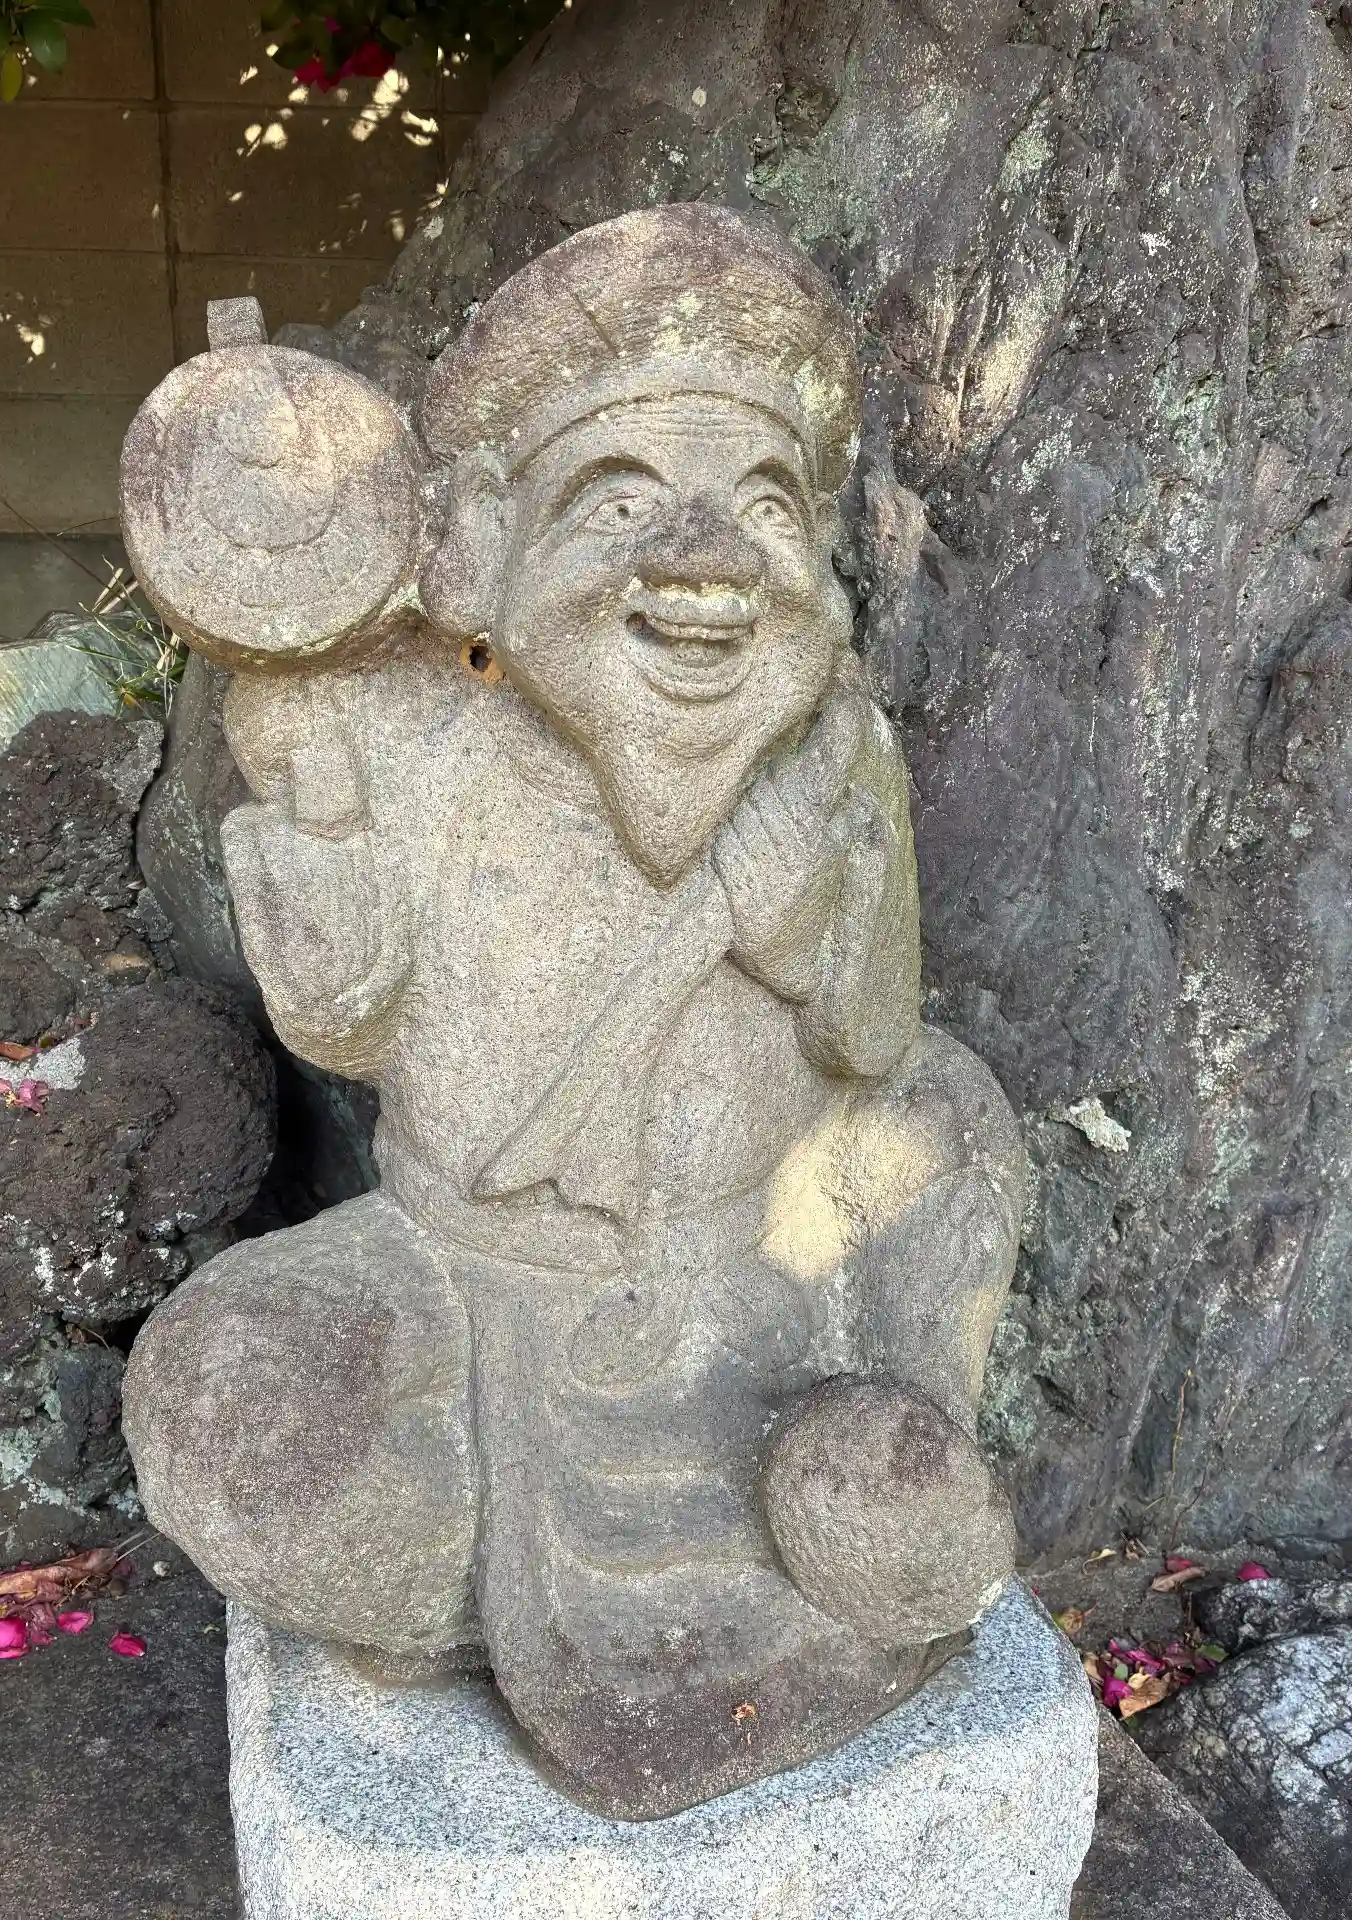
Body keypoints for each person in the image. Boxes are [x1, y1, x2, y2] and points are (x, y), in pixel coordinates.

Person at [126, 205, 1025, 1819]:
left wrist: (796, 921)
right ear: (484, 547)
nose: (704, 564)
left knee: (948, 1122)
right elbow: (342, 1022)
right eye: (621, 500)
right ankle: (510, 1595)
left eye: (763, 505)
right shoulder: (418, 736)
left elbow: (876, 1035)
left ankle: (873, 1481)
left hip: (764, 1284)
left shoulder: (836, 752)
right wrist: (313, 806)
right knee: (226, 1400)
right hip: (475, 1287)